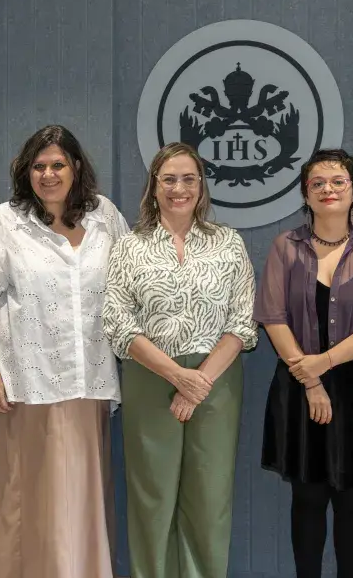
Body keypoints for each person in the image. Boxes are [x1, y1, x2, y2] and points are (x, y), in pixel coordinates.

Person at [0, 125, 127, 578]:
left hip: (85, 379)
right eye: (39, 166)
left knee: (77, 498)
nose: (48, 174)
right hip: (20, 384)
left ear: (76, 167)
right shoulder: (6, 221)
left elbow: (128, 288)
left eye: (58, 164)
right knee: (20, 498)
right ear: (25, 171)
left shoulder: (105, 217)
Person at [103, 142, 258, 578]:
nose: (179, 188)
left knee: (209, 496)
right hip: (150, 376)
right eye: (168, 178)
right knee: (151, 494)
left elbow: (242, 322)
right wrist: (176, 376)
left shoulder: (228, 243)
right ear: (153, 186)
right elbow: (117, 321)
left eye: (189, 178)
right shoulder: (129, 246)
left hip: (217, 379)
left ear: (202, 187)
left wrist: (199, 382)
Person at [254, 149, 353, 578]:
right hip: (300, 387)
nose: (328, 189)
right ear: (305, 193)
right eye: (317, 183)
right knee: (308, 498)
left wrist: (326, 362)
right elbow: (272, 318)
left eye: (338, 181)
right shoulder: (286, 246)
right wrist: (312, 380)